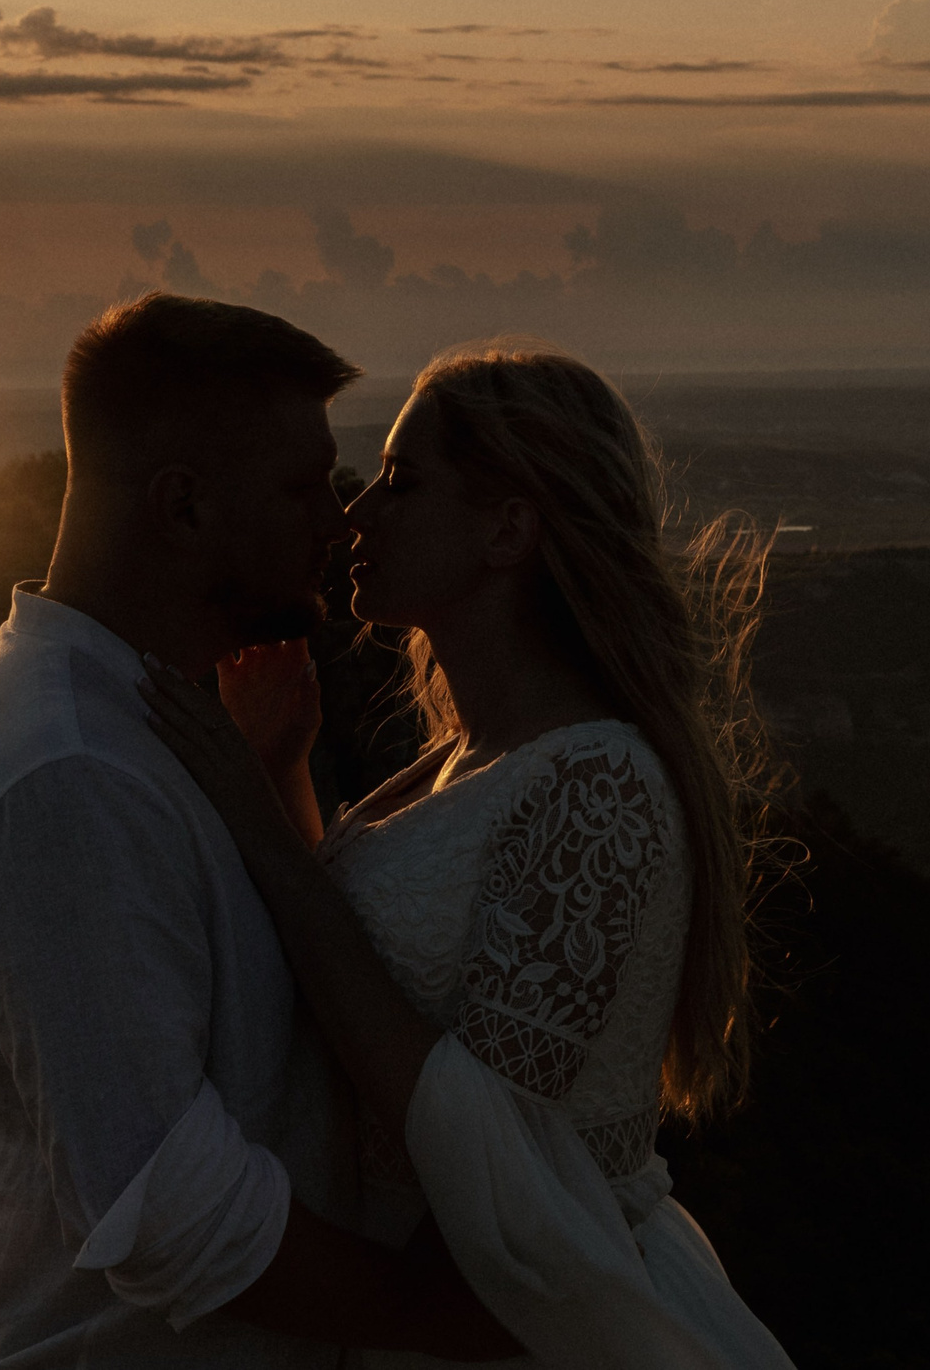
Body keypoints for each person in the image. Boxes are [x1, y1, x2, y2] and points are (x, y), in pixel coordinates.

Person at [140, 340, 796, 1369]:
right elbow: (368, 978)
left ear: (507, 528)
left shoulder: (598, 787)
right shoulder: (462, 759)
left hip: (531, 1325)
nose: (359, 514)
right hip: (434, 1308)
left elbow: (475, 1125)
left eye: (402, 483)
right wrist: (280, 769)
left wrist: (257, 822)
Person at [0, 294, 520, 1367]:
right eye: (299, 488)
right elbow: (169, 1209)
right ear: (183, 508)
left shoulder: (147, 725)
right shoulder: (68, 777)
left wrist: (274, 773)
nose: (338, 524)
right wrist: (455, 1318)